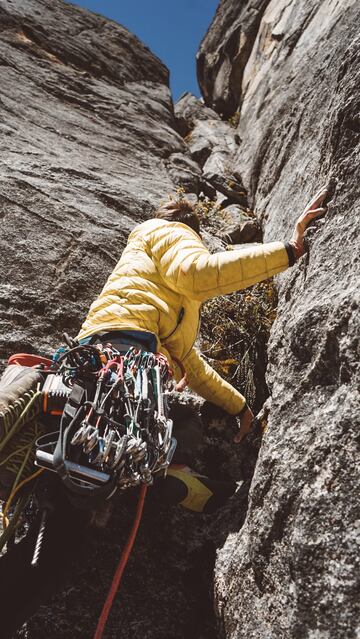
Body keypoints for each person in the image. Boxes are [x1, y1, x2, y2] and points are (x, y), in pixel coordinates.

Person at [76, 185, 328, 511]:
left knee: (95, 427)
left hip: (92, 350)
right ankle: (169, 471)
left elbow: (188, 364)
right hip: (133, 348)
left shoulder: (149, 283)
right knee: (183, 423)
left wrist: (238, 406)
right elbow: (196, 273)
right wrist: (290, 250)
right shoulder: (174, 231)